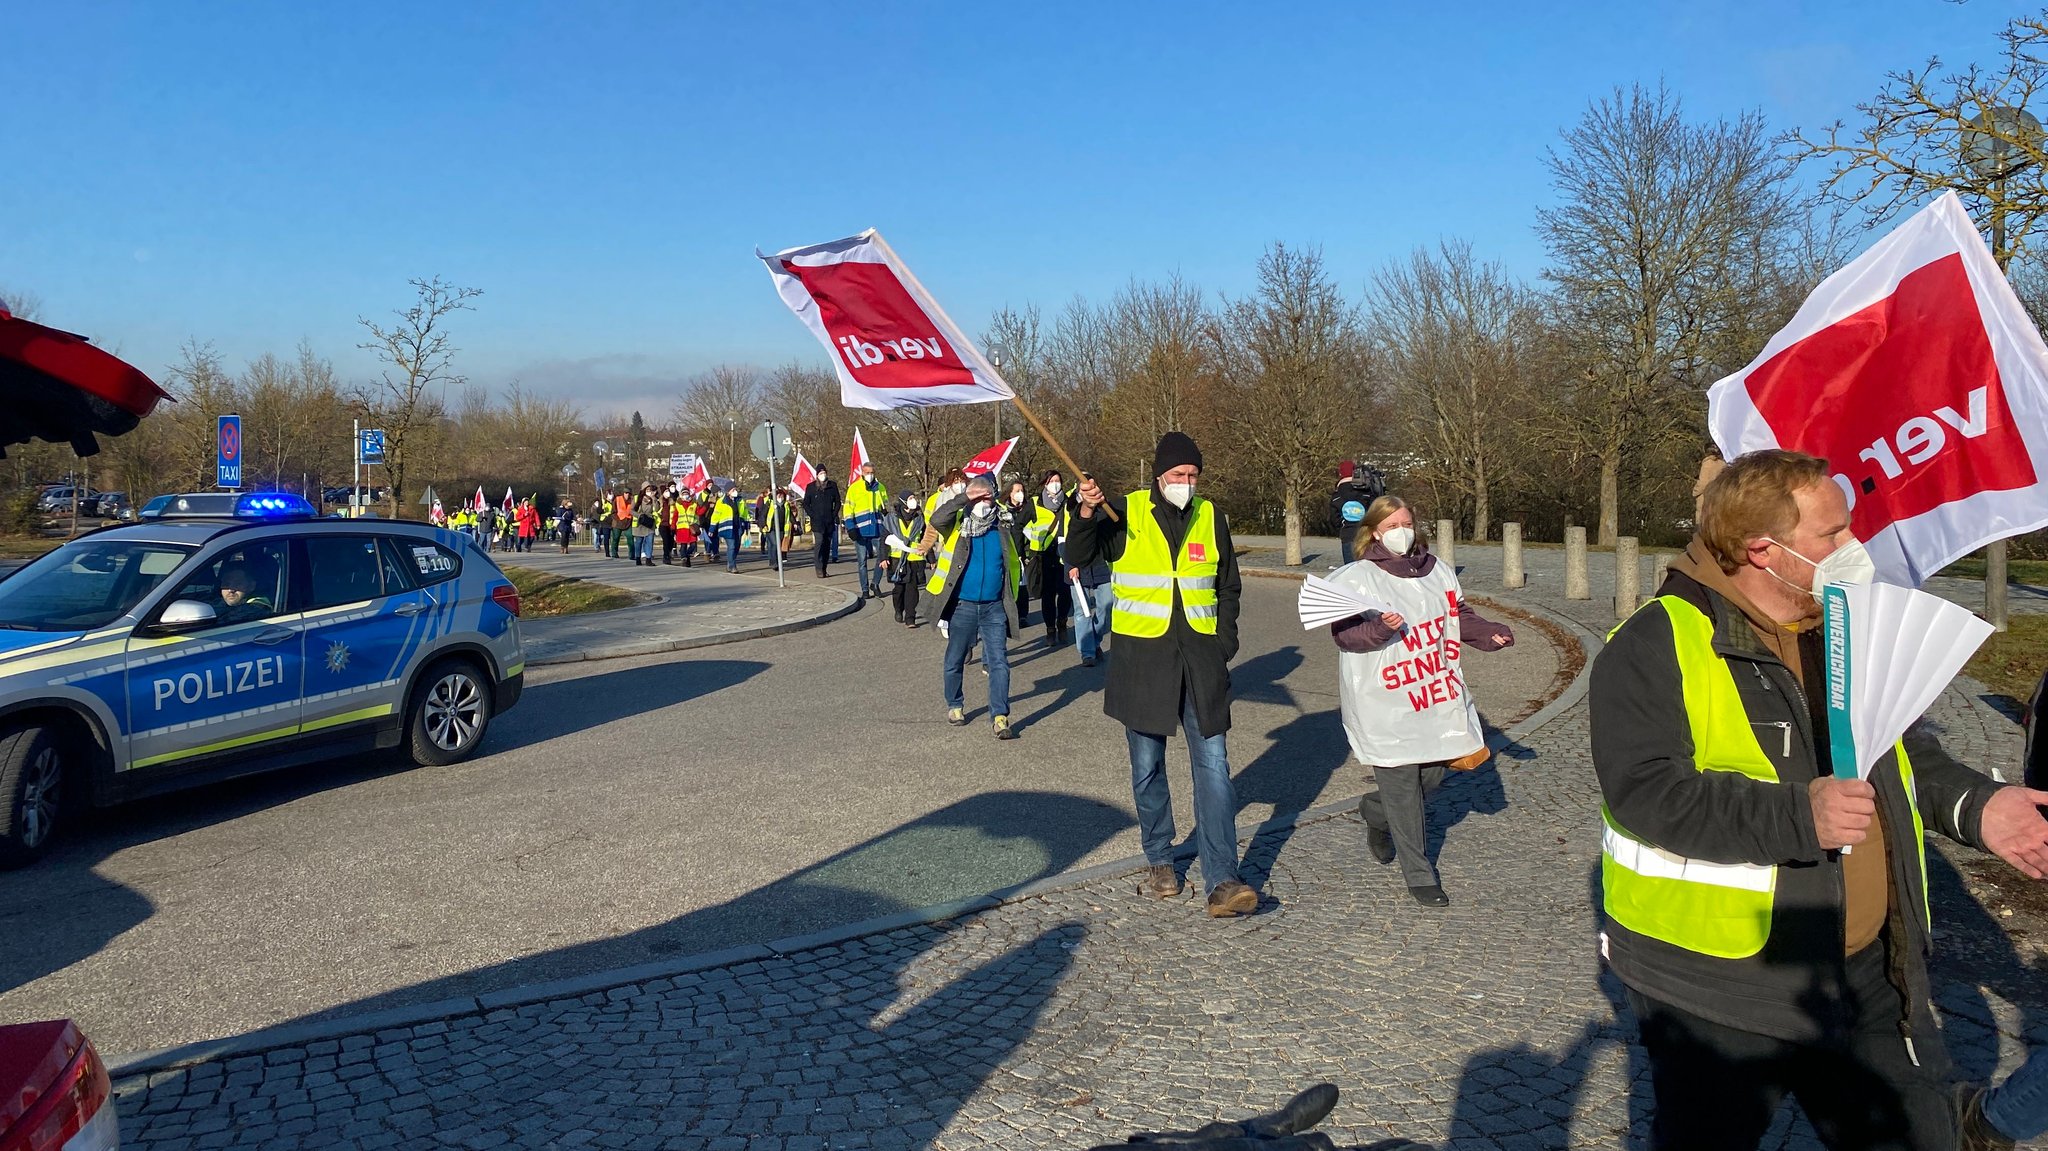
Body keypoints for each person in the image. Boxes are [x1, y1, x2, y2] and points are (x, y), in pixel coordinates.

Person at [1591, 449, 2048, 1151]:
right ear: (1760, 549)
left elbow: (1898, 753)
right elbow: (1647, 792)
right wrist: (1798, 816)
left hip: (1867, 968)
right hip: (1722, 989)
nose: (1853, 548)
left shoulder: (1842, 625)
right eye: (1831, 535)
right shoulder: (1656, 642)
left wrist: (1976, 806)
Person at [1068, 432, 1258, 918]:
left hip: (1201, 662)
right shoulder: (1125, 512)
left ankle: (1223, 878)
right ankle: (1160, 858)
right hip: (1143, 663)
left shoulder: (1211, 517)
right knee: (1148, 766)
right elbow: (1079, 555)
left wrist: (1224, 643)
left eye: (1193, 476)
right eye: (1178, 475)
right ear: (1159, 475)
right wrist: (1086, 512)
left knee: (1214, 766)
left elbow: (1227, 585)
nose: (1186, 483)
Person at [1328, 496, 1513, 907]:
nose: (1401, 531)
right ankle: (1420, 874)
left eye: (1406, 522)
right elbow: (1344, 635)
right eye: (1391, 524)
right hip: (1384, 699)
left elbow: (1456, 614)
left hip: (1430, 692)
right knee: (1401, 784)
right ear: (1374, 531)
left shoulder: (1437, 570)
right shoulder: (1357, 577)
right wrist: (1377, 628)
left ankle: (1376, 813)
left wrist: (1488, 634)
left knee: (1429, 777)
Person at [926, 474, 1020, 739]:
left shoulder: (1002, 524)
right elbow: (936, 519)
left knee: (999, 661)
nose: (982, 499)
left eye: (987, 494)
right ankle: (955, 705)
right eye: (977, 494)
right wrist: (964, 497)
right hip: (962, 606)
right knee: (955, 658)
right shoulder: (958, 523)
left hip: (994, 607)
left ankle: (1000, 716)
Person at [1023, 470, 1074, 648]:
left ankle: (1062, 622)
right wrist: (1024, 552)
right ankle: (1050, 629)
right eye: (1052, 481)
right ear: (1045, 483)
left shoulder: (1068, 502)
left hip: (1064, 554)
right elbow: (1020, 525)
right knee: (1047, 595)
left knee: (1065, 593)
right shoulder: (1035, 503)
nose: (1055, 484)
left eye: (1058, 480)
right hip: (1042, 556)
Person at [844, 461, 891, 599]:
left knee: (882, 558)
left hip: (877, 529)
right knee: (862, 562)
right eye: (867, 473)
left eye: (872, 473)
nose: (870, 475)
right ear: (862, 473)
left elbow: (885, 505)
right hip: (860, 530)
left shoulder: (880, 487)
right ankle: (865, 589)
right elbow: (848, 509)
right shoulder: (854, 488)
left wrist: (885, 512)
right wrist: (850, 527)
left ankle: (875, 584)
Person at [1329, 459, 1386, 564]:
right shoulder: (1367, 491)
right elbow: (1375, 511)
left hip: (1348, 535)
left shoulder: (1336, 496)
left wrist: (1342, 529)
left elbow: (1334, 519)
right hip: (1366, 535)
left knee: (1351, 569)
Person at [887, 493, 927, 627]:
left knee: (912, 590)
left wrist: (931, 558)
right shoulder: (892, 519)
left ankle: (910, 618)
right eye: (910, 499)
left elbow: (925, 539)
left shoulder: (920, 518)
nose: (913, 501)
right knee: (899, 589)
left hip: (914, 558)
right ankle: (898, 609)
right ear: (903, 502)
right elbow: (884, 539)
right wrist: (882, 558)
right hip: (897, 560)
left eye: (914, 498)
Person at [1004, 479, 1034, 627]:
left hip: (1024, 551)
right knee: (1009, 584)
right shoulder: (1003, 511)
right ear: (1010, 493)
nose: (1020, 494)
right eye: (1017, 491)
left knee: (1022, 584)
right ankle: (1009, 614)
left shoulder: (1028, 509)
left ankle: (1022, 615)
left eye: (1022, 491)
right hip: (1008, 551)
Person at [804, 467, 842, 579]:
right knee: (819, 543)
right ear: (817, 475)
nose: (823, 475)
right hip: (817, 522)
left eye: (824, 472)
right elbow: (806, 503)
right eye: (820, 473)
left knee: (826, 545)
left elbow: (838, 502)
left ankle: (824, 568)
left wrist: (834, 514)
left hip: (829, 521)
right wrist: (813, 515)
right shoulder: (811, 487)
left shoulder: (832, 486)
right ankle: (818, 568)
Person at [712, 485, 749, 573]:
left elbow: (745, 513)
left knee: (736, 546)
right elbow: (715, 515)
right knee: (731, 546)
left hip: (738, 526)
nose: (735, 491)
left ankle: (730, 562)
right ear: (728, 491)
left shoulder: (740, 500)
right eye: (733, 490)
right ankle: (733, 566)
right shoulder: (721, 502)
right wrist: (712, 528)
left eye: (735, 489)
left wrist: (747, 523)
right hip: (727, 527)